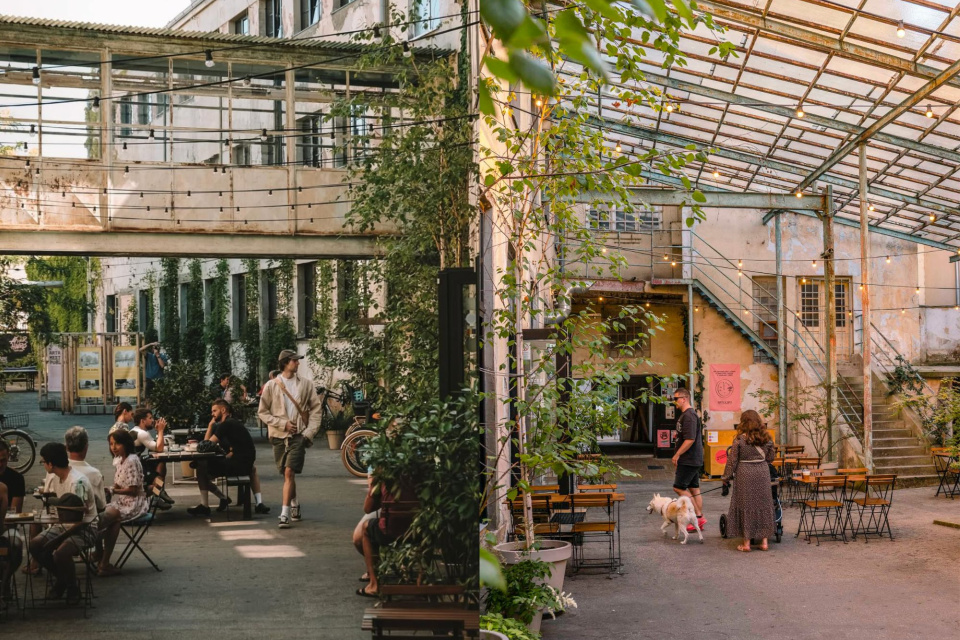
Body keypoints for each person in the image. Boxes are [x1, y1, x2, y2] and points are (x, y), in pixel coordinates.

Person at [258, 349, 322, 529]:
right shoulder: (272, 385)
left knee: (289, 473)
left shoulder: (306, 385)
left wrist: (308, 433)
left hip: (298, 436)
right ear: (285, 363)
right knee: (285, 473)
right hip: (279, 436)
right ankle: (294, 502)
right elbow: (262, 412)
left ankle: (284, 514)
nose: (298, 363)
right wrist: (281, 424)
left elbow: (316, 410)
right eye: (295, 361)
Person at [30, 443, 97, 604]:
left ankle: (72, 586)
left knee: (60, 552)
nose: (43, 464)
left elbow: (80, 518)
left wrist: (56, 540)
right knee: (35, 545)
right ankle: (63, 579)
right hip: (63, 525)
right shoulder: (55, 478)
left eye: (43, 462)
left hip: (85, 526)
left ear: (51, 464)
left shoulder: (77, 482)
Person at [188, 400, 269, 516]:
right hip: (245, 464)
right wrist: (211, 426)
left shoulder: (225, 424)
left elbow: (205, 446)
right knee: (252, 469)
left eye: (214, 411)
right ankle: (258, 503)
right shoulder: (233, 423)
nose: (212, 414)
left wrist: (208, 429)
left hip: (236, 466)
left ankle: (205, 505)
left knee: (201, 469)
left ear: (223, 410)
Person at [355, 471, 417, 598]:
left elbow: (367, 508)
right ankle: (420, 582)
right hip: (416, 532)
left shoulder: (383, 475)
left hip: (389, 531)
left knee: (366, 528)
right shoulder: (419, 474)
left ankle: (374, 584)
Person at [721, 410, 776, 552]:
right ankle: (764, 542)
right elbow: (770, 458)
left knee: (746, 505)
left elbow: (732, 461)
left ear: (743, 423)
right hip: (762, 473)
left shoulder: (739, 440)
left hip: (744, 473)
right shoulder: (767, 438)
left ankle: (746, 544)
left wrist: (725, 478)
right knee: (763, 504)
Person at [96, 429, 149, 576]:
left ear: (126, 444)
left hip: (134, 504)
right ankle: (100, 554)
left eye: (117, 443)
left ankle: (104, 562)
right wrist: (108, 489)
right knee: (98, 513)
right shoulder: (119, 460)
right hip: (122, 501)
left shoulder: (132, 460)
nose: (113, 447)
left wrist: (113, 491)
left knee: (113, 519)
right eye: (111, 444)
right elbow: (118, 485)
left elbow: (132, 490)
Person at [671, 387, 706, 532]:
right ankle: (699, 520)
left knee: (678, 487)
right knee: (694, 489)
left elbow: (690, 439)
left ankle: (697, 517)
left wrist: (677, 454)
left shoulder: (690, 416)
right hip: (692, 459)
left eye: (676, 399)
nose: (675, 402)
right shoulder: (686, 415)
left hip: (689, 459)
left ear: (684, 399)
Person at [131, 407, 174, 508]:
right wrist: (160, 431)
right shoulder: (141, 433)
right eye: (150, 418)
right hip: (134, 466)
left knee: (160, 463)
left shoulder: (138, 431)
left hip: (135, 462)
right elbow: (159, 448)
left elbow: (155, 447)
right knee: (160, 470)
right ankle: (157, 492)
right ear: (142, 420)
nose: (153, 420)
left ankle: (157, 494)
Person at [64, 426, 106, 514]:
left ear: (66, 447)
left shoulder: (55, 471)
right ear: (86, 447)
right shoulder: (94, 474)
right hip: (86, 520)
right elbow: (101, 506)